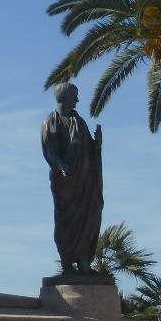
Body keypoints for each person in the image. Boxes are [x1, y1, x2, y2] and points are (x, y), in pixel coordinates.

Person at [41, 82, 104, 274]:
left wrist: (97, 145)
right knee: (67, 222)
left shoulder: (80, 121)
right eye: (74, 95)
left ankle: (84, 262)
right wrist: (62, 166)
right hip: (65, 183)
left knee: (88, 217)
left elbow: (87, 148)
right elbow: (50, 151)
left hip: (85, 181)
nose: (77, 99)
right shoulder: (51, 122)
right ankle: (67, 263)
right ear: (65, 96)